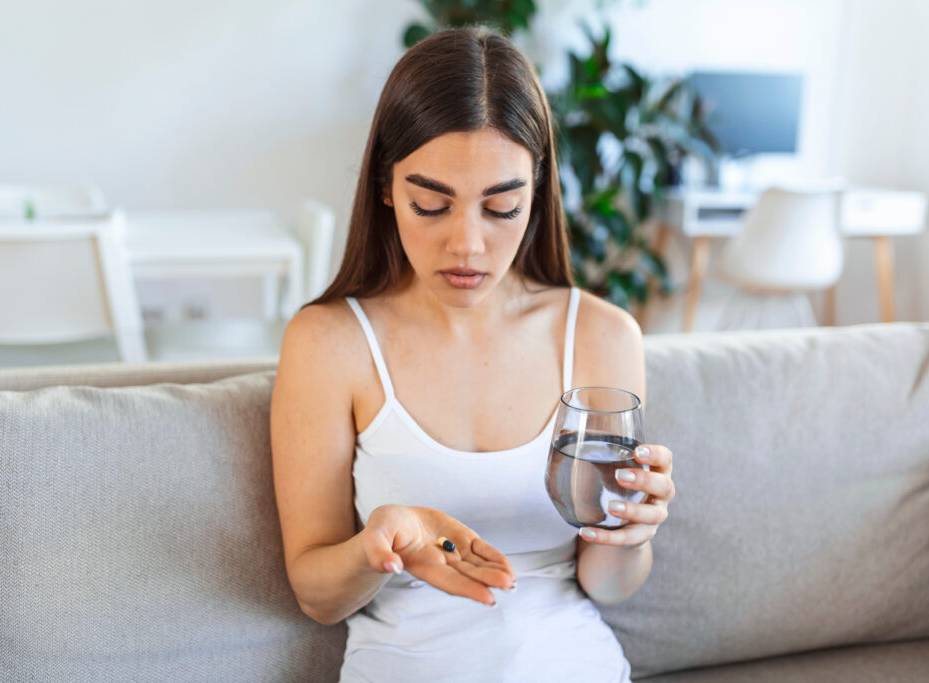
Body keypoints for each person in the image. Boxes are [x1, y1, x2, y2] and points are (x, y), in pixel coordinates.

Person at [270, 26, 675, 682]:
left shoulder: (601, 337)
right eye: (431, 205)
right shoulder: (329, 343)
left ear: (537, 192)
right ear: (385, 186)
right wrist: (378, 544)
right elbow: (316, 594)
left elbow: (608, 584)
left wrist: (632, 531)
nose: (468, 244)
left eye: (501, 207)